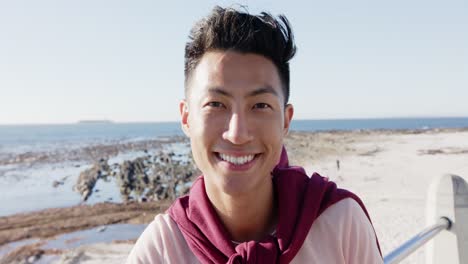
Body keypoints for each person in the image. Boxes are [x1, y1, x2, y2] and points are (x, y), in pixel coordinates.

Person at [127, 5, 383, 263]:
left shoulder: (340, 224)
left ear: (285, 120)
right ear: (186, 117)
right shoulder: (162, 250)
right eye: (215, 104)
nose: (237, 134)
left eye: (260, 105)